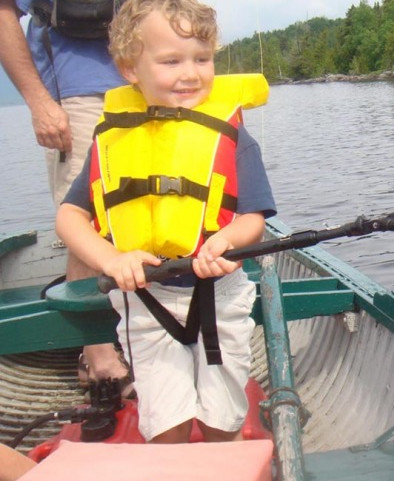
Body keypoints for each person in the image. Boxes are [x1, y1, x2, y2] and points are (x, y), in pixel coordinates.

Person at [55, 0, 276, 444]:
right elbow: (70, 216)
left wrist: (227, 242)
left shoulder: (231, 135)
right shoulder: (112, 140)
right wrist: (112, 258)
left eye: (202, 59)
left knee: (223, 416)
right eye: (171, 61)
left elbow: (252, 217)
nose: (190, 73)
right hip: (146, 300)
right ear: (129, 68)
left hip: (220, 294)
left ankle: (220, 475)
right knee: (164, 422)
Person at [0, 0, 132, 389]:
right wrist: (40, 102)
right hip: (78, 95)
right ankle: (97, 356)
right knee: (87, 217)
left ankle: (153, 331)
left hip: (152, 83)